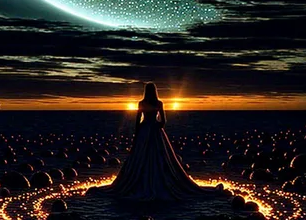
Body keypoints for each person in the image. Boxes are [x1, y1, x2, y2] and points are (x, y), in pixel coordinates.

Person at [90, 82, 218, 200]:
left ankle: (140, 180)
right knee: (160, 157)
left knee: (141, 157)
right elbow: (163, 122)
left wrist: (138, 134)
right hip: (155, 131)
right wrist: (156, 126)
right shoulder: (159, 103)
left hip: (144, 131)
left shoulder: (141, 103)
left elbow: (137, 121)